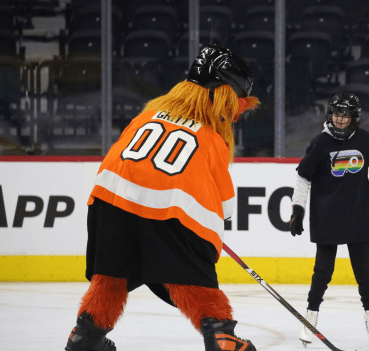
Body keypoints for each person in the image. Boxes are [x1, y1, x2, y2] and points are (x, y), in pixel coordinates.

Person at [64, 45, 260, 351]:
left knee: (111, 275)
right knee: (189, 277)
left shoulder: (148, 115)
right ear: (225, 96)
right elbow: (226, 208)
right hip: (167, 209)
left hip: (109, 200)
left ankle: (85, 336)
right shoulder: (211, 139)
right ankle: (221, 335)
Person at [289, 92, 369, 346]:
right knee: (322, 273)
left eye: (345, 116)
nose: (340, 120)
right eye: (336, 114)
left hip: (358, 215)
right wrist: (298, 209)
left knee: (364, 275)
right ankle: (310, 319)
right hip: (327, 217)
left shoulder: (365, 139)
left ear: (354, 117)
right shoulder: (320, 143)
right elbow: (303, 178)